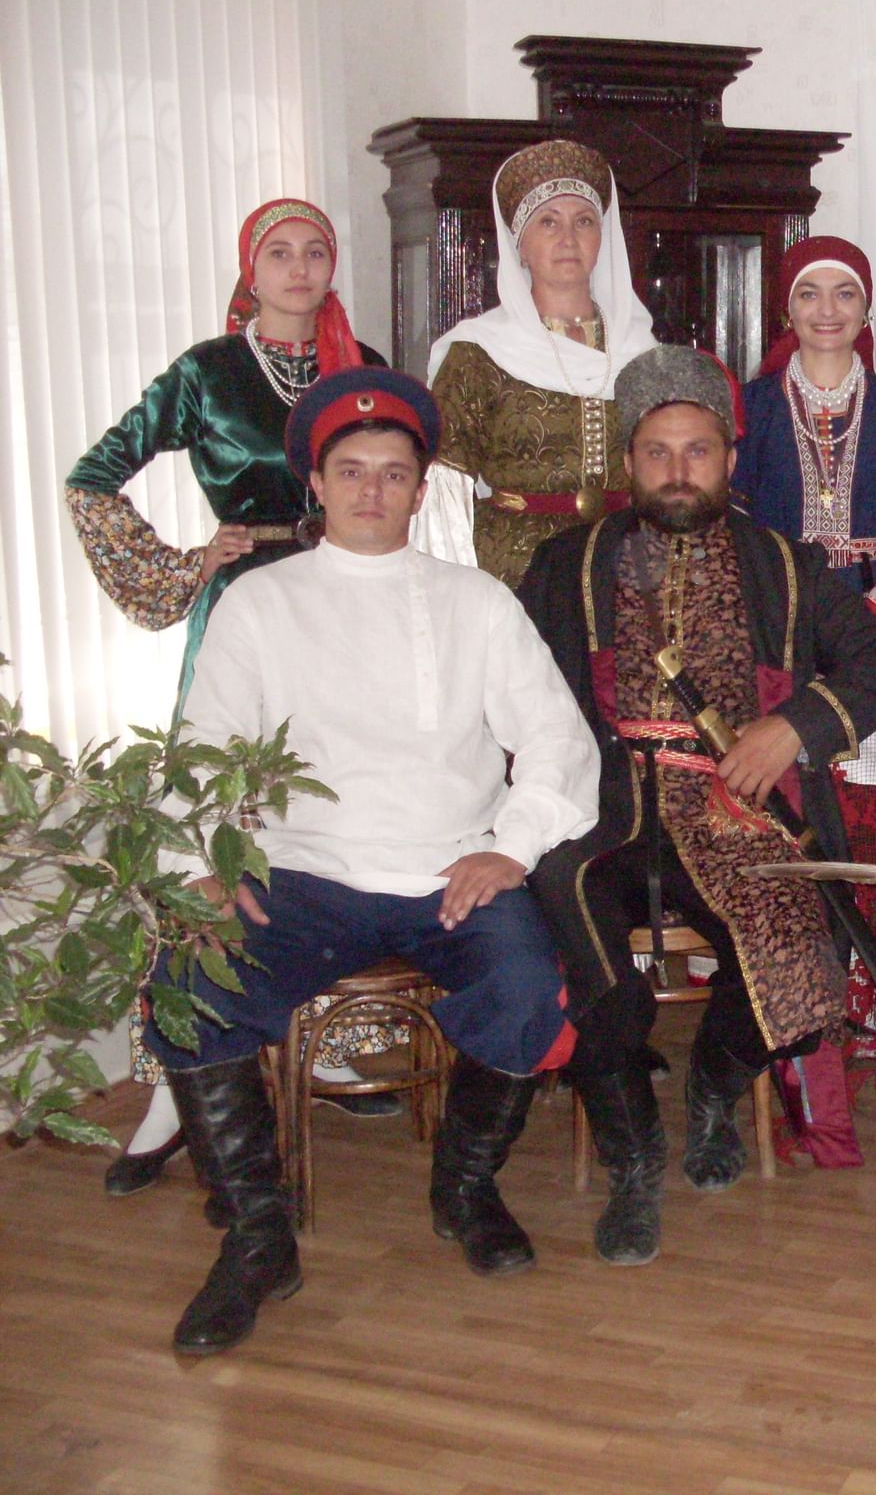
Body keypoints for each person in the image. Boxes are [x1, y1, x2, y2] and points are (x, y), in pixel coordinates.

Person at [144, 366, 602, 1356]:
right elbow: (203, 748)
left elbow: (558, 740)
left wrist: (509, 847)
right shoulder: (260, 604)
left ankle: (464, 1188)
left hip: (448, 870)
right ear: (316, 484)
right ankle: (257, 1237)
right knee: (191, 981)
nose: (370, 491)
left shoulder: (476, 602)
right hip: (301, 873)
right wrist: (203, 866)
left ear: (420, 491)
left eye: (393, 474)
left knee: (527, 986)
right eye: (350, 471)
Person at [520, 346, 876, 1265]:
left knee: (802, 945)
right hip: (604, 810)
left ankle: (713, 1083)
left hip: (735, 811)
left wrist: (792, 727)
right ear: (629, 463)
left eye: (697, 451)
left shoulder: (782, 565)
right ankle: (632, 1156)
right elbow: (507, 688)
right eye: (657, 452)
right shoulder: (568, 564)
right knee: (569, 915)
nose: (677, 471)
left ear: (730, 459)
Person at [65, 196, 402, 1203]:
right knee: (209, 830)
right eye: (278, 253)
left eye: (316, 252)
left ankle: (326, 1042)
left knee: (328, 818)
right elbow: (93, 477)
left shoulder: (361, 367)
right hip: (244, 605)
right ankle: (181, 1080)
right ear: (249, 271)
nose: (299, 269)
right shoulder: (207, 373)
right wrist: (182, 564)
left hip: (345, 606)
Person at [425, 138, 659, 586]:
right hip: (514, 572)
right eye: (548, 222)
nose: (568, 239)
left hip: (624, 563)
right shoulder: (478, 351)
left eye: (584, 221)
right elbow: (444, 488)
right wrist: (455, 594)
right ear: (520, 245)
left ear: (602, 238)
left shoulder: (641, 349)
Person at [734, 236, 876, 668]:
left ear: (865, 309)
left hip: (875, 613)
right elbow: (729, 524)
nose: (827, 311)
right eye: (809, 295)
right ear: (788, 310)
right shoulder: (752, 407)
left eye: (844, 294)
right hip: (775, 613)